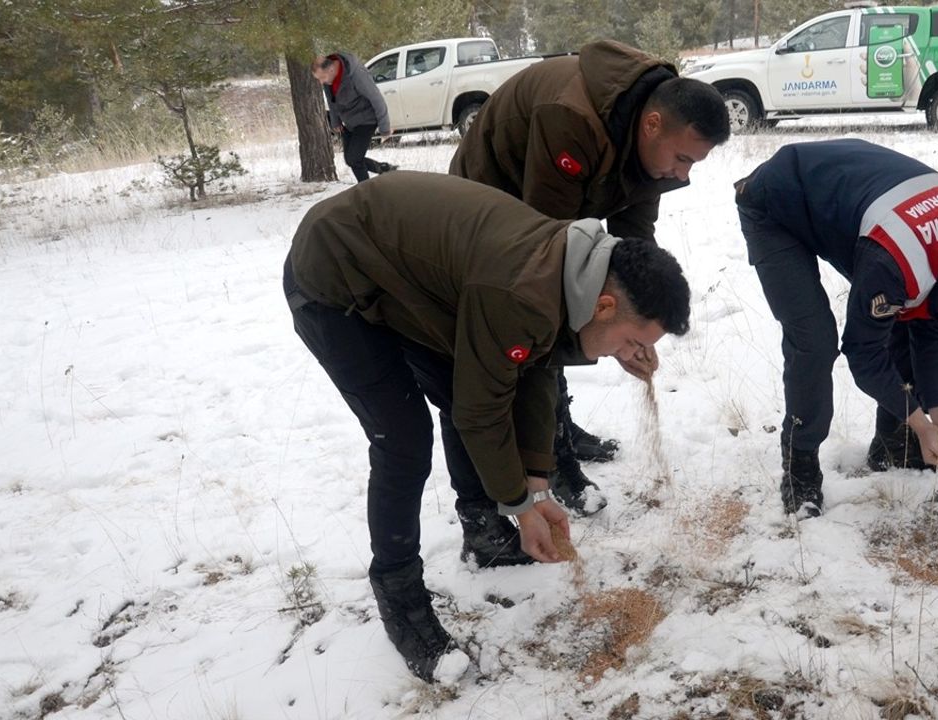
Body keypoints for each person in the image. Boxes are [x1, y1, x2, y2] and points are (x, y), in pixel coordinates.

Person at [283, 171, 691, 681]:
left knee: (462, 390)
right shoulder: (521, 288)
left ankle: (482, 532)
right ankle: (399, 593)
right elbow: (485, 410)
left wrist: (537, 487)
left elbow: (538, 366)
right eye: (633, 340)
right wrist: (521, 507)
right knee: (404, 441)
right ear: (605, 305)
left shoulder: (573, 268)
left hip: (406, 279)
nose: (630, 354)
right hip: (334, 276)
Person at [450, 39, 730, 515]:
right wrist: (607, 331)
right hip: (492, 200)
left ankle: (563, 428)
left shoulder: (648, 135)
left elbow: (635, 236)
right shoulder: (571, 119)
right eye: (683, 159)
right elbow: (553, 264)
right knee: (542, 322)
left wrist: (639, 320)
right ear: (653, 124)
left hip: (550, 205)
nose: (683, 176)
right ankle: (554, 461)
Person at [734, 139, 938, 518]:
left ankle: (892, 444)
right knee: (815, 341)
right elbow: (863, 352)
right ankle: (800, 463)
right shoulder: (895, 260)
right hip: (778, 200)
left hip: (855, 196)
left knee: (909, 311)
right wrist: (921, 424)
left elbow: (935, 321)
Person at [311, 53, 397, 183]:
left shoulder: (356, 75)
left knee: (354, 159)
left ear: (331, 69)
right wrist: (336, 121)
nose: (321, 82)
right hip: (350, 122)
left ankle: (367, 192)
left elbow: (377, 98)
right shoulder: (329, 78)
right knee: (350, 159)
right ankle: (383, 168)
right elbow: (331, 100)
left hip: (367, 119)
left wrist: (385, 128)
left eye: (322, 77)